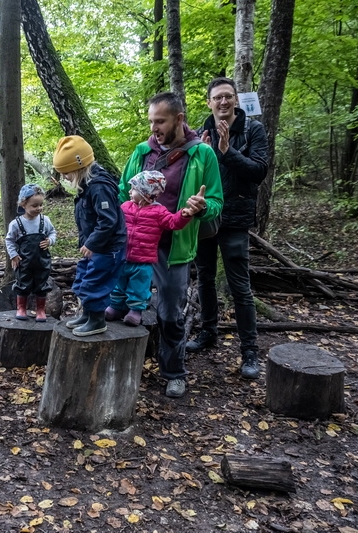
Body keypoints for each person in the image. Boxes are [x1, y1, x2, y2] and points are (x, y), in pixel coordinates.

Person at [120, 92, 223, 398]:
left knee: (169, 312)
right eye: (152, 121)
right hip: (134, 244)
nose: (154, 127)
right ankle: (125, 369)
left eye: (160, 121)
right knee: (125, 304)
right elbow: (119, 192)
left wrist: (201, 206)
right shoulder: (141, 151)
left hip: (174, 247)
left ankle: (174, 372)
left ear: (179, 119)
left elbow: (217, 202)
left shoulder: (202, 154)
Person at [186, 77, 269, 379]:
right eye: (217, 97)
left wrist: (226, 150)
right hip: (207, 216)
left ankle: (249, 350)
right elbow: (190, 177)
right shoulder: (200, 133)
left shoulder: (252, 129)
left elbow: (258, 171)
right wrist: (203, 156)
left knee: (239, 285)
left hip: (235, 218)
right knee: (205, 277)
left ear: (236, 100)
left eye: (228, 97)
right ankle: (209, 332)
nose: (223, 102)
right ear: (208, 102)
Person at [52, 135, 127, 337]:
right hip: (94, 247)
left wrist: (92, 243)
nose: (64, 177)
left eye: (66, 172)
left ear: (78, 167)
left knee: (95, 282)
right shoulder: (87, 186)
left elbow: (108, 221)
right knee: (84, 277)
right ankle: (87, 315)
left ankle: (97, 321)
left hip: (107, 248)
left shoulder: (99, 187)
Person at [105, 171, 197, 327]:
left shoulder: (158, 212)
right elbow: (115, 222)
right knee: (118, 284)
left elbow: (173, 223)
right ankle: (115, 307)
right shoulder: (126, 206)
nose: (129, 191)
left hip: (143, 260)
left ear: (145, 193)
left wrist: (184, 214)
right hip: (122, 257)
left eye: (133, 189)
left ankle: (135, 312)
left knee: (139, 287)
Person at [5, 183, 57, 321]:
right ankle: (21, 308)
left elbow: (52, 232)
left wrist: (50, 241)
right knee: (23, 283)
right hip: (24, 261)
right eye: (34, 206)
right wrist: (14, 255)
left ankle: (40, 310)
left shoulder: (45, 221)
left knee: (42, 284)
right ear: (23, 204)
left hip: (42, 260)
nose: (38, 208)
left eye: (40, 205)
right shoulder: (16, 224)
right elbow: (9, 240)